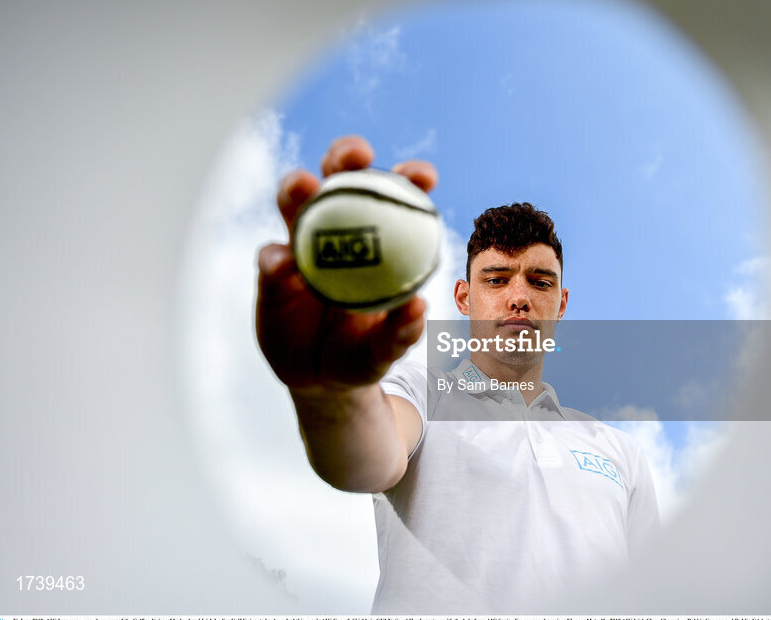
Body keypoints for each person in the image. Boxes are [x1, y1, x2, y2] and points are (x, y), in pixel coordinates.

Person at [256, 135, 658, 612]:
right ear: (465, 298)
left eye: (540, 281)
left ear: (561, 304)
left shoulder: (620, 451)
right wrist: (331, 395)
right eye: (497, 278)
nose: (519, 297)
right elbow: (363, 456)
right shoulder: (423, 395)